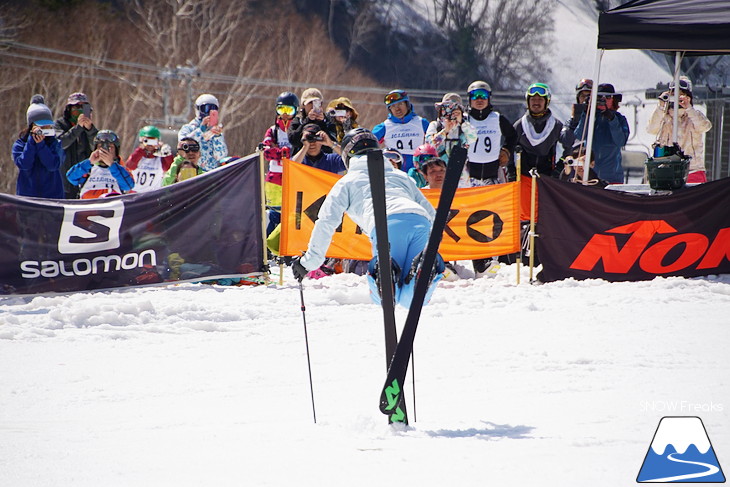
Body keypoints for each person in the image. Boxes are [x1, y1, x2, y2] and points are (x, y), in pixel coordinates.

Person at [291, 128, 443, 308]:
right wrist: (432, 243)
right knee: (410, 300)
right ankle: (423, 269)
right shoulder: (400, 176)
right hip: (420, 222)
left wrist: (309, 262)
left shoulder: (347, 182)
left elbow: (326, 222)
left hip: (386, 225)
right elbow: (433, 216)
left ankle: (382, 271)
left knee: (385, 298)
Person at [646, 76, 712, 183]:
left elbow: (705, 126)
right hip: (666, 171)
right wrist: (661, 107)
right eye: (674, 95)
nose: (677, 100)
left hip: (692, 170)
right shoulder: (664, 117)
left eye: (681, 96)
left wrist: (688, 108)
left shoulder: (693, 117)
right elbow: (651, 129)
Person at [573, 83, 629, 184]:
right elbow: (579, 136)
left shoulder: (619, 119)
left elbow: (620, 141)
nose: (603, 100)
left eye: (608, 97)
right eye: (599, 97)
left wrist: (612, 119)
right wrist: (586, 113)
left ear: (613, 100)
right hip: (589, 177)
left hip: (612, 178)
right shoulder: (589, 117)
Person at [464, 81, 517, 186]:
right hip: (470, 174)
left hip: (492, 174)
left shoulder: (497, 118)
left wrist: (506, 150)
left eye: (483, 95)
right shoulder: (465, 120)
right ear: (469, 99)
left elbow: (513, 135)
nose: (479, 99)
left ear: (489, 98)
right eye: (475, 96)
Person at [12, 95, 65, 199]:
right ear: (32, 126)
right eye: (42, 126)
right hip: (28, 200)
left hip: (52, 199)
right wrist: (32, 142)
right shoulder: (20, 145)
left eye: (48, 126)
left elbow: (53, 165)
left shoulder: (56, 143)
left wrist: (41, 146)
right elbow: (24, 165)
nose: (46, 129)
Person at [513, 83, 570, 177]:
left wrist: (559, 168)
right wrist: (511, 172)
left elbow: (569, 147)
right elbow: (508, 150)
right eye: (533, 99)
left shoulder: (556, 125)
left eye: (540, 99)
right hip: (522, 178)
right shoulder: (520, 126)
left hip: (546, 179)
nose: (536, 103)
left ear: (546, 102)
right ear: (528, 102)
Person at [262, 91, 298, 236]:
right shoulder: (273, 131)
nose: (285, 114)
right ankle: (269, 246)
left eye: (289, 110)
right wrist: (281, 153)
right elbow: (266, 152)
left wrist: (289, 154)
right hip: (275, 178)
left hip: (293, 177)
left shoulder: (297, 130)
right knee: (274, 212)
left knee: (291, 213)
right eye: (281, 109)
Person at [372, 89, 430, 173]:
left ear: (407, 105)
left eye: (400, 104)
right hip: (395, 169)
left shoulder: (421, 123)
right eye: (393, 106)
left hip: (417, 170)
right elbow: (370, 143)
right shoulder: (385, 127)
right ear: (390, 109)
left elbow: (434, 142)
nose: (397, 109)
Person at [425, 93, 477, 186]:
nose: (450, 114)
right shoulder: (435, 126)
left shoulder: (465, 127)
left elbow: (473, 138)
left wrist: (462, 122)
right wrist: (445, 131)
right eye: (446, 109)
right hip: (439, 174)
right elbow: (430, 145)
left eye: (454, 111)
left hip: (460, 176)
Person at [66, 130, 135, 199]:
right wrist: (89, 162)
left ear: (116, 151)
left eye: (110, 147)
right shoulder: (88, 168)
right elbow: (71, 177)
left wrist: (112, 165)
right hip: (88, 206)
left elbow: (128, 186)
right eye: (100, 147)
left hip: (111, 206)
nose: (105, 150)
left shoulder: (121, 168)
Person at [54, 92, 98, 199]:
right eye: (77, 106)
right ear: (69, 109)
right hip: (64, 181)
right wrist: (78, 128)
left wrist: (90, 129)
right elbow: (61, 143)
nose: (80, 110)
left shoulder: (89, 128)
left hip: (84, 179)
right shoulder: (59, 124)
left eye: (84, 107)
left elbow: (97, 146)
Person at [178, 93, 228, 172]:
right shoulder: (188, 128)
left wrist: (218, 137)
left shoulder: (215, 131)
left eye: (212, 109)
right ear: (198, 109)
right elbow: (183, 146)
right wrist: (200, 130)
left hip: (209, 174)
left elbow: (220, 156)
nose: (208, 112)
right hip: (190, 171)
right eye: (206, 108)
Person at [287, 87, 337, 156]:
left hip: (323, 162)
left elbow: (332, 143)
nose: (313, 106)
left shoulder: (328, 121)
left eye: (316, 102)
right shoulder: (298, 120)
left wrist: (321, 123)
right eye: (310, 103)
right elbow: (293, 140)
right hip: (301, 161)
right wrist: (307, 121)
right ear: (303, 105)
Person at [125, 125, 173, 192]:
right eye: (147, 141)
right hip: (135, 193)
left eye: (153, 141)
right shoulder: (138, 155)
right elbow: (130, 166)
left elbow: (169, 168)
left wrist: (167, 155)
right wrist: (140, 150)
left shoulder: (160, 158)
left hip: (153, 195)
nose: (150, 145)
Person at [562, 78, 593, 150]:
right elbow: (566, 142)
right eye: (582, 96)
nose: (585, 99)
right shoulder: (571, 121)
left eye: (588, 96)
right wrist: (573, 119)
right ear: (578, 98)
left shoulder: (600, 118)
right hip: (577, 157)